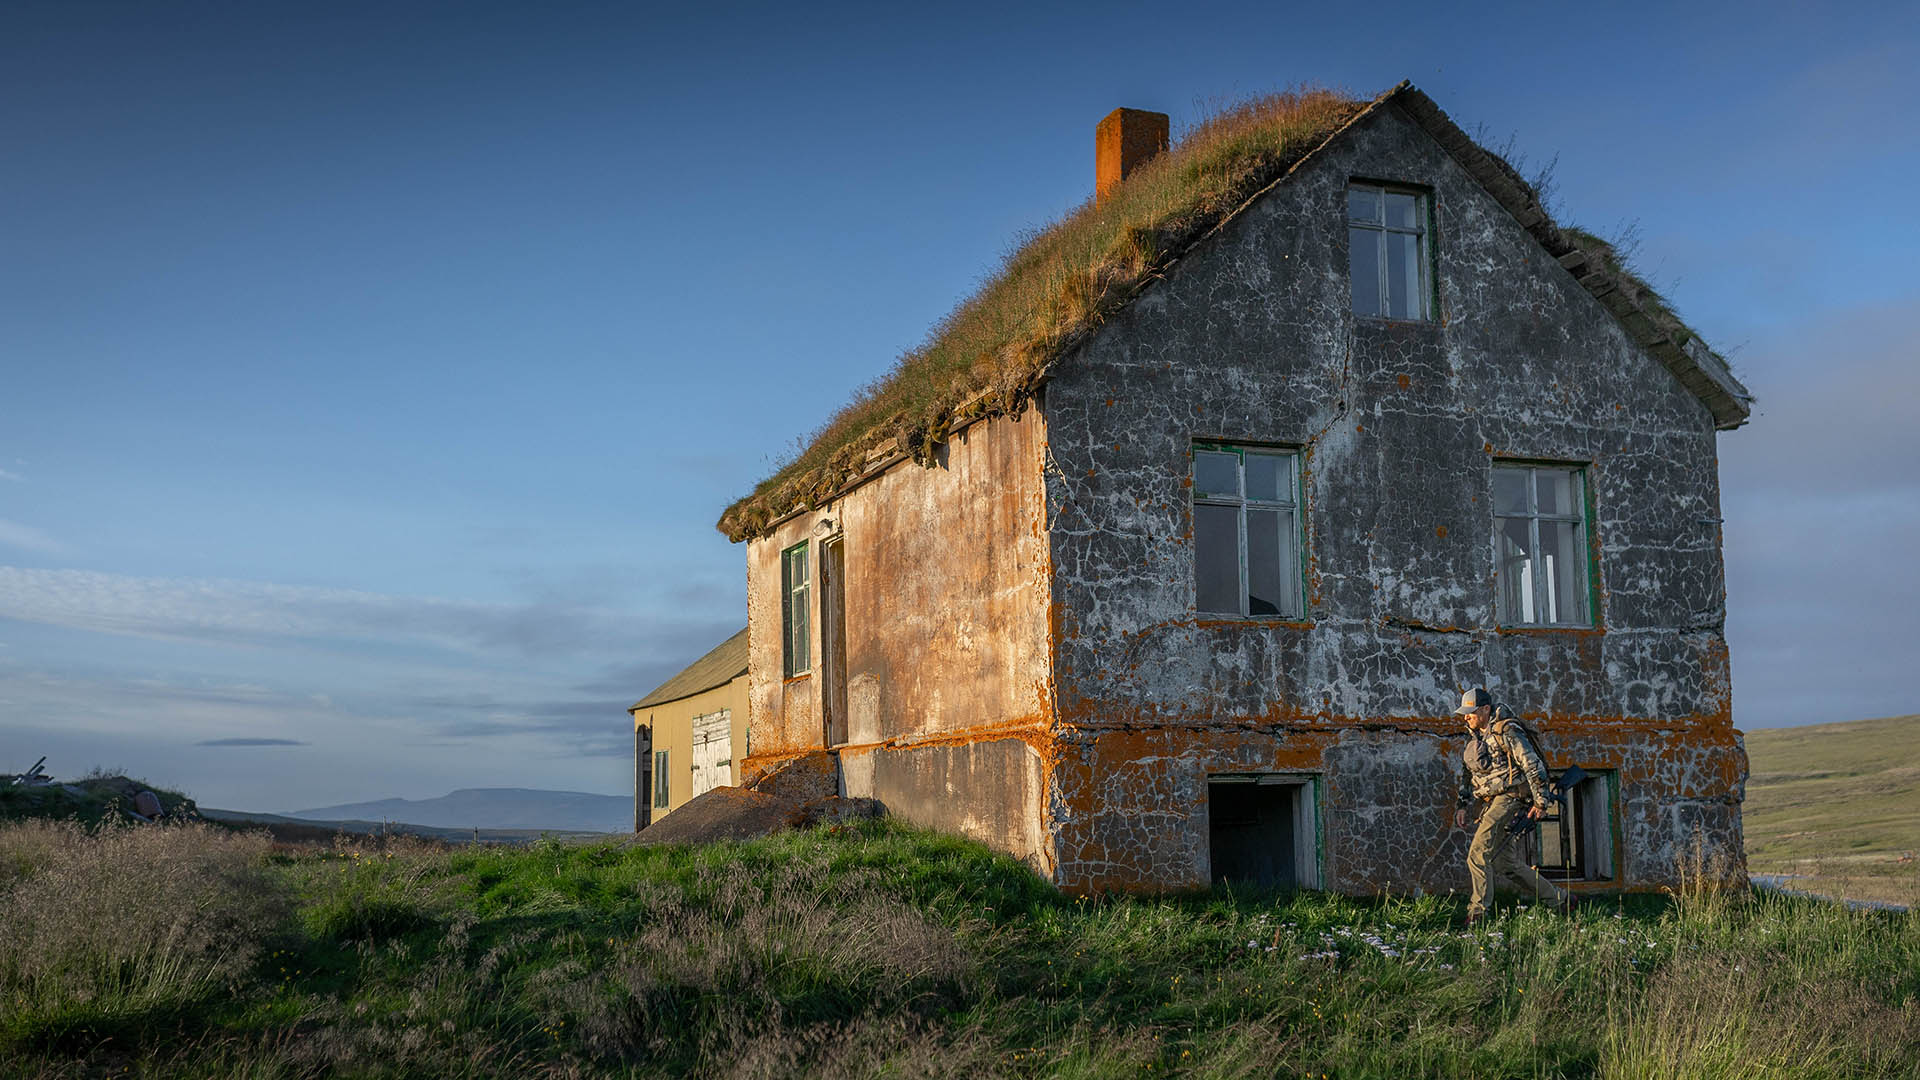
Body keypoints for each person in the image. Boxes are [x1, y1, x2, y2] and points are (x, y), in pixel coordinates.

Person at [1451, 686, 1571, 924]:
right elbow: (1467, 774)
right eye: (1465, 713)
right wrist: (1463, 805)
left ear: (1485, 709)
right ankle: (1560, 900)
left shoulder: (1508, 730)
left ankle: (1478, 914)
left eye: (1471, 712)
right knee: (1506, 864)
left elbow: (1531, 764)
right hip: (1491, 801)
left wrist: (1541, 801)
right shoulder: (1477, 736)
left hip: (1512, 796)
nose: (1466, 717)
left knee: (1477, 853)